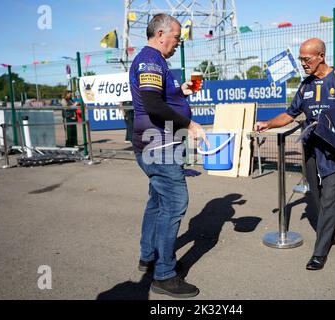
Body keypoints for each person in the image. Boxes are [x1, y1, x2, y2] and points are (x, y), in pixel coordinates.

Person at [255, 38, 335, 271]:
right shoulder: (305, 85)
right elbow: (290, 114)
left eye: (307, 59)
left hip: (334, 149)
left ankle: (319, 252)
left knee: (328, 198)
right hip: (311, 147)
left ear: (321, 56)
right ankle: (330, 230)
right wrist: (268, 124)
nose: (303, 63)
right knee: (316, 196)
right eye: (300, 59)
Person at [129, 13, 208, 298]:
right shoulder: (150, 60)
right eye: (176, 37)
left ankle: (149, 256)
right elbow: (151, 103)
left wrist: (181, 90)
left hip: (157, 144)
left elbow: (161, 96)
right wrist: (189, 124)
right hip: (159, 145)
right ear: (161, 34)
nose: (178, 43)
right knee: (175, 203)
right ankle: (164, 274)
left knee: (158, 201)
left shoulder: (157, 61)